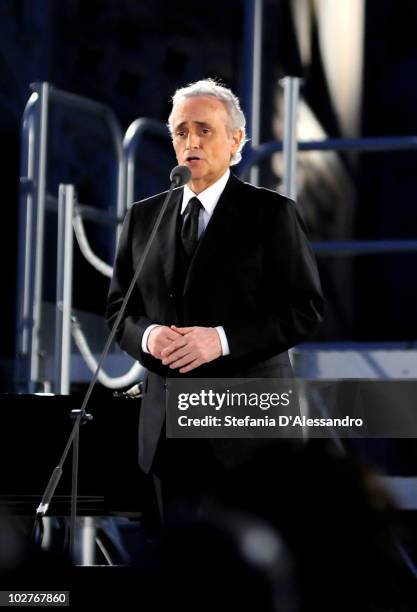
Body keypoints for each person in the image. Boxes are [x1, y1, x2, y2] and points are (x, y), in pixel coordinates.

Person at [106, 78, 324, 515]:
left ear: (235, 140)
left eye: (204, 129)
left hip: (249, 433)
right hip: (167, 429)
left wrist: (221, 339)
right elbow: (119, 310)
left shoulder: (271, 213)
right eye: (181, 131)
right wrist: (149, 337)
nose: (191, 141)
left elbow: (306, 310)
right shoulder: (142, 217)